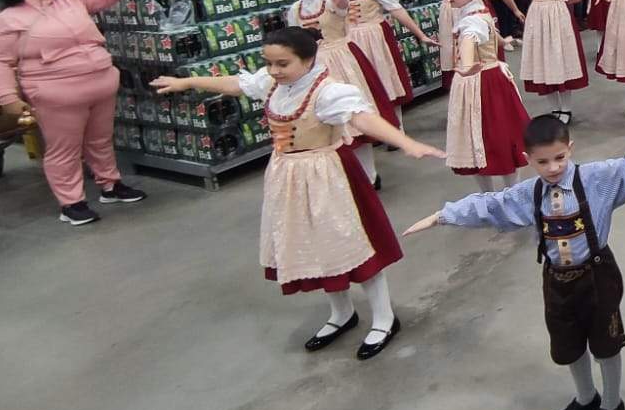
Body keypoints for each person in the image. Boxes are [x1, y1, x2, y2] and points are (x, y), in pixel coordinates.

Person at [152, 28, 445, 358]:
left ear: (309, 60)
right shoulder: (273, 83)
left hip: (329, 177)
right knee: (314, 247)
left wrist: (406, 142)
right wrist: (188, 82)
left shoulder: (329, 92)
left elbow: (361, 119)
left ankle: (384, 318)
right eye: (269, 63)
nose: (274, 70)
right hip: (288, 179)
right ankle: (342, 313)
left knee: (356, 246)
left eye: (283, 63)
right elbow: (237, 84)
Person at [405, 117, 625, 410]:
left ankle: (612, 406)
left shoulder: (595, 178)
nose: (553, 167)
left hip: (598, 277)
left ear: (570, 149)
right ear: (528, 158)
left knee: (606, 343)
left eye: (560, 157)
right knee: (568, 343)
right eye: (542, 161)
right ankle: (586, 398)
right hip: (556, 281)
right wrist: (443, 215)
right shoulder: (530, 193)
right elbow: (491, 206)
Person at [0, 0, 145, 226]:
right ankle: (71, 203)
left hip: (100, 81)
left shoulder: (70, 1)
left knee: (100, 140)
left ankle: (111, 186)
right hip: (55, 92)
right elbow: (2, 62)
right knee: (64, 148)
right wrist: (7, 97)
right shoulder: (9, 18)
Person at [284, 0, 399, 186]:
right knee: (330, 126)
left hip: (342, 63)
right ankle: (346, 175)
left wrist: (341, 1)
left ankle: (370, 175)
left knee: (354, 118)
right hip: (313, 68)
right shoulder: (296, 9)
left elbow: (342, 6)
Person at [489, 0, 614, 121]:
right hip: (537, 15)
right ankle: (554, 108)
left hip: (557, 15)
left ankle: (565, 108)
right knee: (542, 60)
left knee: (560, 59)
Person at [440, 0, 528, 189]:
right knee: (490, 138)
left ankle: (501, 195)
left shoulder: (472, 21)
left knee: (493, 138)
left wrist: (467, 65)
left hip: (482, 83)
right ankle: (499, 195)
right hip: (487, 78)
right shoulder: (477, 11)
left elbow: (470, 40)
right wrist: (502, 40)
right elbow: (489, 33)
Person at [329, 0, 433, 106]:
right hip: (346, 41)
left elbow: (397, 11)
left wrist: (420, 35)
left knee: (384, 82)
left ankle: (394, 124)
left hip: (374, 39)